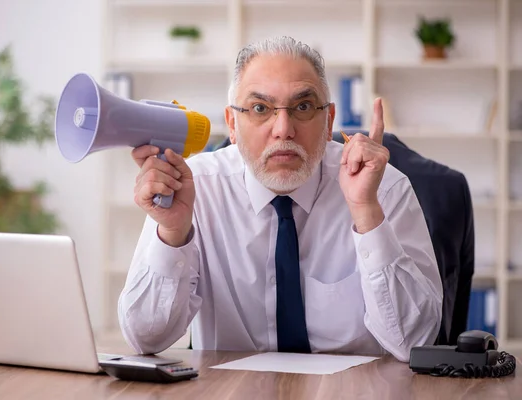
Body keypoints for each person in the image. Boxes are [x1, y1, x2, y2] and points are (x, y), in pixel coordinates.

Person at [119, 36, 443, 362]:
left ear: (328, 120)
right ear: (232, 124)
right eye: (260, 108)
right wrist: (173, 235)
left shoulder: (382, 189)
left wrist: (366, 212)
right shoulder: (193, 190)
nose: (283, 129)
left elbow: (414, 342)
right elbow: (145, 338)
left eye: (302, 107)